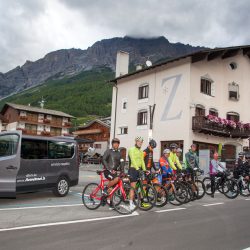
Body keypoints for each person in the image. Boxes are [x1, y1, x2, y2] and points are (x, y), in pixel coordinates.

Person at [128, 136, 147, 210]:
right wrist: (137, 168)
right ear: (135, 142)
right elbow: (132, 159)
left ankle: (140, 201)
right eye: (139, 141)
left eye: (141, 142)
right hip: (133, 169)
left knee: (141, 186)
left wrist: (145, 169)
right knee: (133, 187)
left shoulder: (141, 151)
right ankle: (130, 203)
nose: (140, 143)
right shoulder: (131, 149)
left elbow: (142, 161)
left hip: (138, 169)